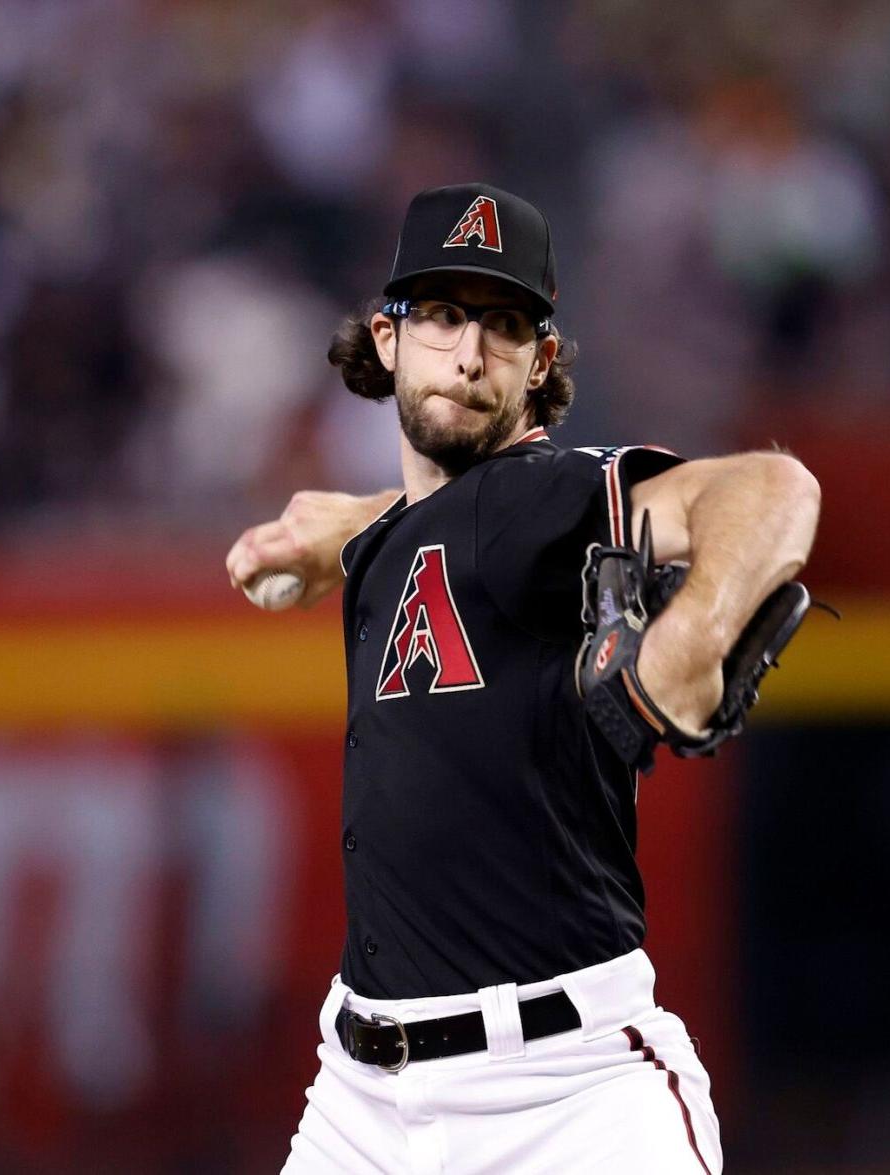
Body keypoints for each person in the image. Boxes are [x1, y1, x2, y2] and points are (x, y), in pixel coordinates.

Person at [226, 183, 820, 1174]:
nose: (469, 352)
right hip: (359, 1096)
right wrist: (356, 530)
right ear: (386, 339)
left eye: (504, 326)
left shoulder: (544, 498)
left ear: (541, 362)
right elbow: (439, 521)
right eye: (445, 316)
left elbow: (770, 487)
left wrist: (693, 636)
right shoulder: (408, 530)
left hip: (565, 1095)